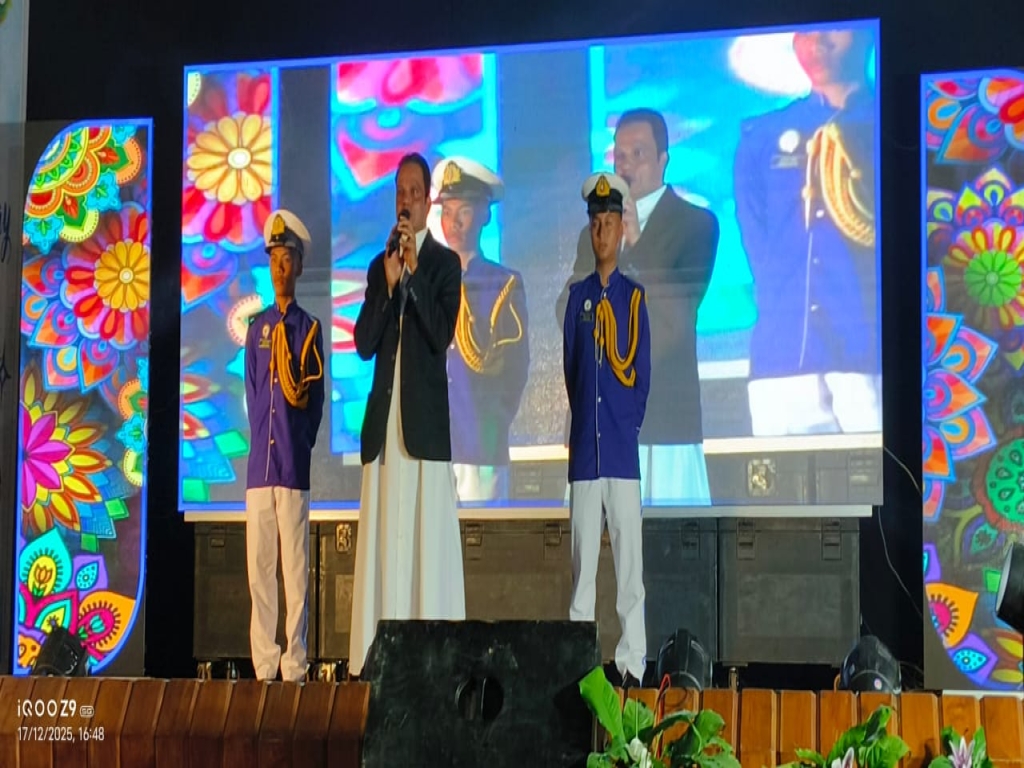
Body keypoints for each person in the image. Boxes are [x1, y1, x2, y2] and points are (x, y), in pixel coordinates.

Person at [557, 108, 718, 506]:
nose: (626, 166)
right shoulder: (594, 233)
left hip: (664, 425)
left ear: (663, 159)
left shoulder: (696, 225)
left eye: (638, 154)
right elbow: (567, 309)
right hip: (598, 425)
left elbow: (676, 316)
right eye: (620, 156)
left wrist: (636, 243)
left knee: (669, 538)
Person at [349, 152, 466, 678]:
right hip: (384, 430)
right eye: (400, 192)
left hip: (422, 430)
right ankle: (378, 658)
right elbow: (363, 343)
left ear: (428, 200)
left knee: (423, 544)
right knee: (384, 543)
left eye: (414, 192)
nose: (406, 200)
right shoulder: (382, 266)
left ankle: (428, 661)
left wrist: (414, 278)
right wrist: (392, 283)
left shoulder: (444, 264)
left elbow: (440, 335)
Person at [734, 28, 879, 436]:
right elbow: (758, 245)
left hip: (868, 357)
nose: (817, 43)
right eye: (805, 32)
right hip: (782, 363)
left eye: (833, 28)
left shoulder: (893, 126)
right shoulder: (763, 136)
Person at [563, 172, 651, 689]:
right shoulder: (577, 299)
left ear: (621, 229)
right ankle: (580, 663)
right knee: (583, 572)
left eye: (610, 222)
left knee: (629, 571)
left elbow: (642, 379)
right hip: (584, 457)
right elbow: (573, 374)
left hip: (620, 453)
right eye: (596, 223)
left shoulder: (633, 299)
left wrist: (622, 426)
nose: (602, 231)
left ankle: (632, 664)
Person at [244, 209, 325, 682]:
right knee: (260, 571)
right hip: (261, 466)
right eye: (274, 257)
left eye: (287, 258)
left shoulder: (308, 329)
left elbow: (313, 403)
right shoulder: (256, 329)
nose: (279, 266)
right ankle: (264, 663)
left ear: (299, 265)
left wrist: (299, 445)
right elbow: (254, 392)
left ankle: (294, 664)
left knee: (295, 571)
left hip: (292, 466)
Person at [432, 156, 530, 502]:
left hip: (479, 448)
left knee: (481, 533)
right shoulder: (427, 283)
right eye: (447, 212)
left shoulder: (502, 283)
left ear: (485, 215)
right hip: (432, 447)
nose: (454, 222)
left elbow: (514, 370)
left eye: (464, 211)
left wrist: (492, 425)